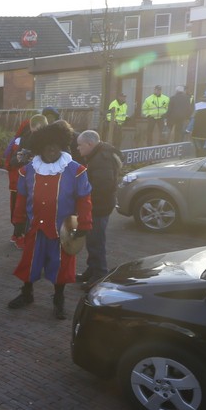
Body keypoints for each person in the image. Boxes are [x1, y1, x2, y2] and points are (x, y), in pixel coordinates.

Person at [9, 121, 93, 320]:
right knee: (30, 263)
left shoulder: (76, 170)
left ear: (62, 145)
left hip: (62, 230)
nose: (52, 149)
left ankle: (58, 299)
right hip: (35, 229)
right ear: (40, 147)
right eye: (47, 145)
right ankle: (27, 293)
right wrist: (18, 221)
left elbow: (84, 199)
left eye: (56, 144)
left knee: (60, 266)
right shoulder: (27, 171)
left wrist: (84, 224)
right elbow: (21, 198)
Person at [75, 130, 122, 288]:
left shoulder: (101, 159)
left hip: (99, 207)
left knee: (96, 241)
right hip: (99, 205)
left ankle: (99, 274)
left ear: (90, 144)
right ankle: (92, 270)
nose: (78, 148)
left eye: (80, 145)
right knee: (92, 240)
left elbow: (102, 186)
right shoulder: (98, 155)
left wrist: (83, 196)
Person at [4, 114, 48, 224]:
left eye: (36, 132)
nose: (35, 135)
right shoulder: (26, 139)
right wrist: (25, 157)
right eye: (33, 132)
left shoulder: (54, 141)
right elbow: (13, 160)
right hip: (30, 183)